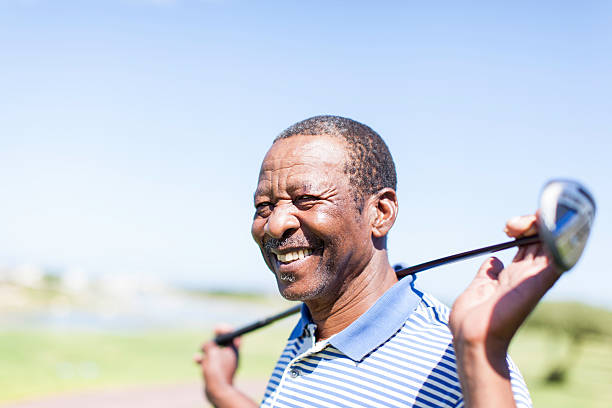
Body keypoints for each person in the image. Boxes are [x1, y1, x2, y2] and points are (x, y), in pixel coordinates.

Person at [196, 115, 562, 407]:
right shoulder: (311, 326)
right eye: (264, 206)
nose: (275, 224)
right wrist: (224, 392)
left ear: (380, 212)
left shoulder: (465, 369)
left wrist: (481, 353)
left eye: (306, 199)